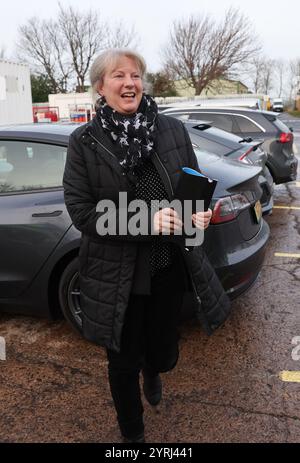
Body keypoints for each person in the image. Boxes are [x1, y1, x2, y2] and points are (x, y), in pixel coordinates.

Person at [63, 49, 231, 443]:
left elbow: (192, 183)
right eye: (118, 76)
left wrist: (196, 217)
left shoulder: (171, 130)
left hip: (167, 265)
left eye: (135, 75)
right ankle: (133, 435)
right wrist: (144, 220)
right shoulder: (84, 141)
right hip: (115, 273)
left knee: (162, 350)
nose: (129, 83)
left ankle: (153, 370)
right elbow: (82, 212)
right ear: (100, 87)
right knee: (121, 363)